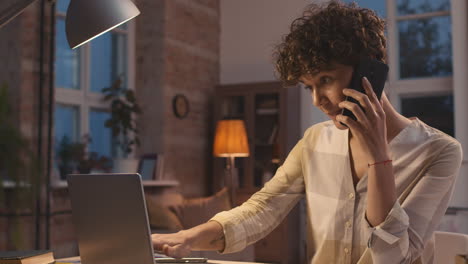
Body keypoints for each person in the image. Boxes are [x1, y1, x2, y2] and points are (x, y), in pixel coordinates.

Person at [152, 1, 463, 263]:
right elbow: (261, 210)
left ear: (371, 71)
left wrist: (379, 156)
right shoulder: (315, 140)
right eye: (308, 87)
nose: (317, 100)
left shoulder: (440, 151)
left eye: (326, 79)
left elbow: (391, 257)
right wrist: (188, 237)